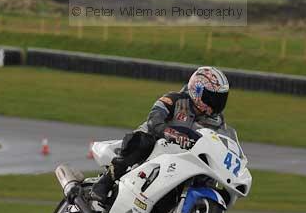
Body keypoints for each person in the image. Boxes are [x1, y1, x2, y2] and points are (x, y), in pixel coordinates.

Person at [90, 66, 229, 205]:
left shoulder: (217, 122)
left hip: (182, 159)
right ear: (197, 90)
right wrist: (169, 132)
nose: (217, 104)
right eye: (213, 98)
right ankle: (105, 182)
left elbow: (222, 143)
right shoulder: (175, 99)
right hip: (155, 144)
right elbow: (154, 119)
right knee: (143, 142)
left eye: (221, 99)